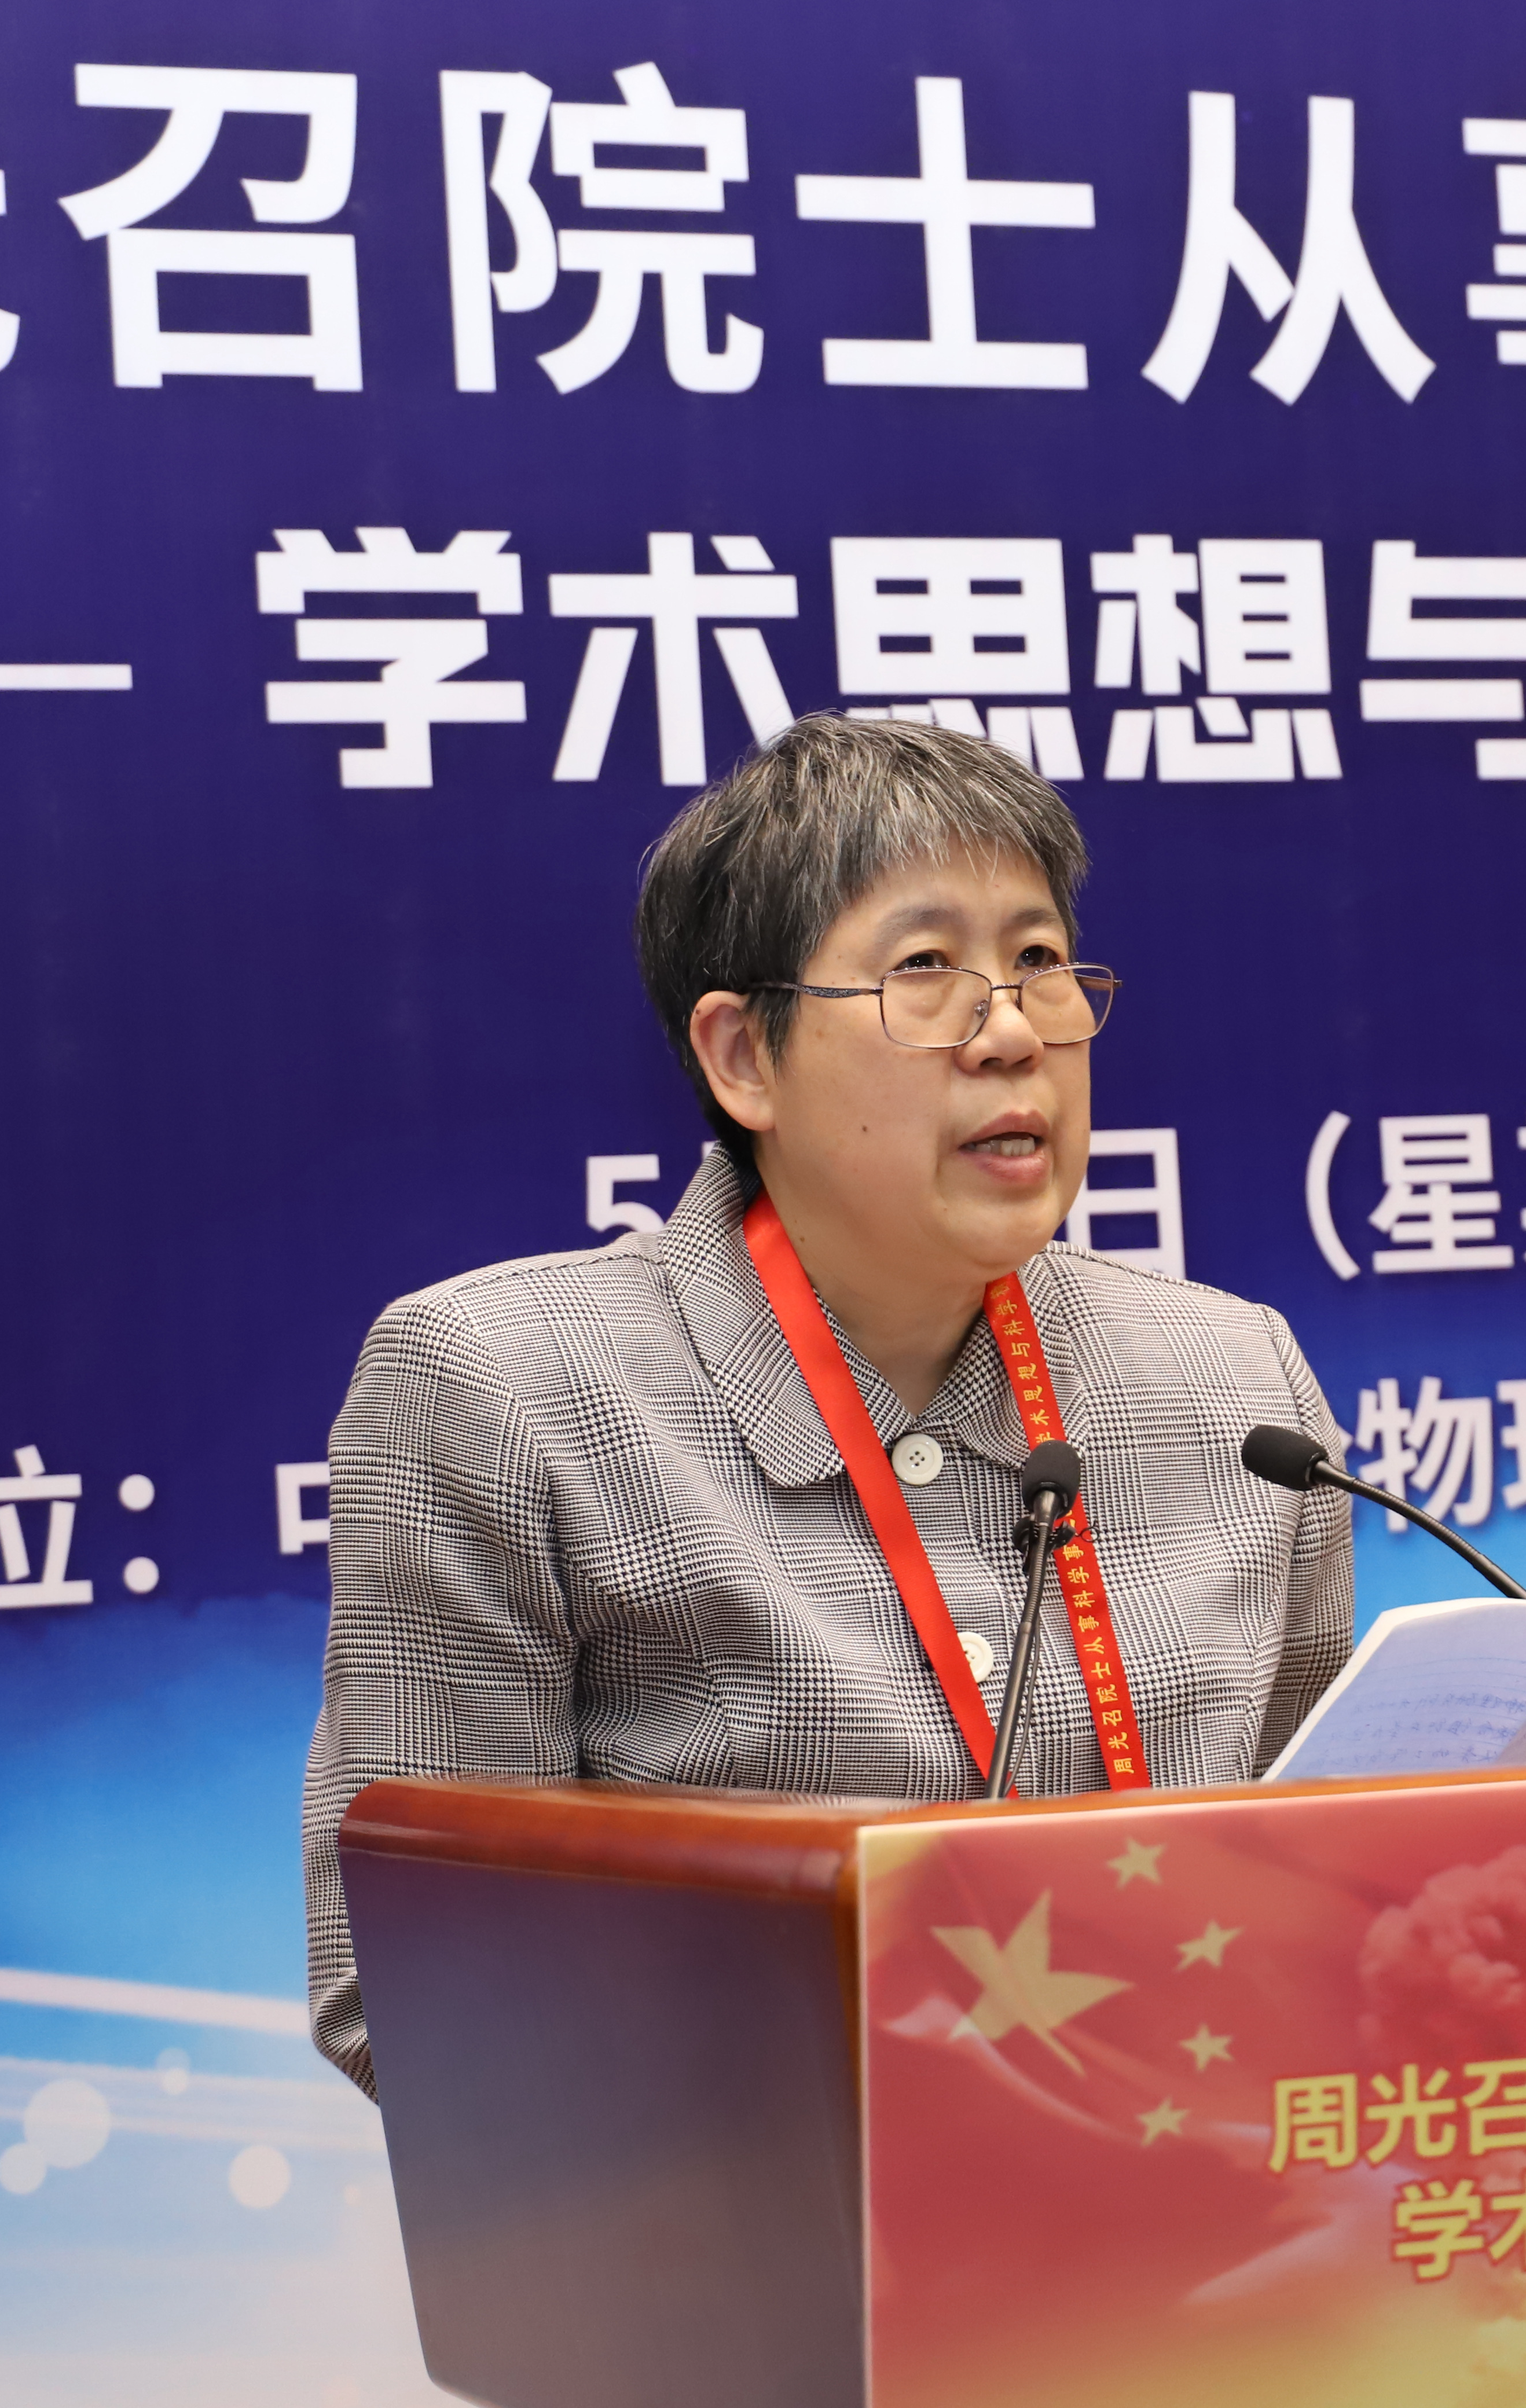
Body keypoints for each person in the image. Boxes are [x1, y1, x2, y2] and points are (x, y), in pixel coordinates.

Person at [299, 714, 1352, 2094]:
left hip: (1200, 2199)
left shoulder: (1235, 1381)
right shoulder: (504, 1389)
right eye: (926, 971)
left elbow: (1325, 1879)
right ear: (744, 1055)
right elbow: (412, 1992)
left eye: (1041, 962)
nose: (1013, 1032)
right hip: (766, 2217)